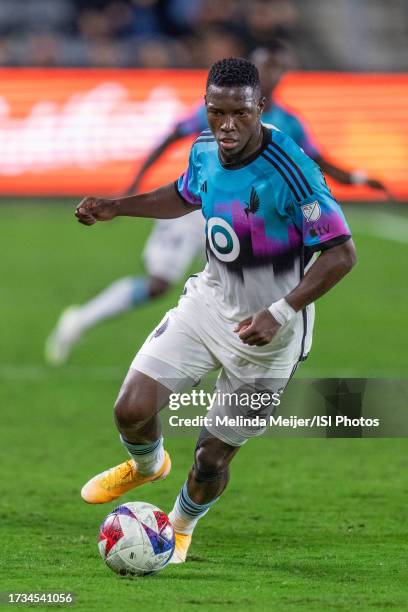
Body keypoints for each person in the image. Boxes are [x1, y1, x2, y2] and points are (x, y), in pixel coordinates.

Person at [75, 57, 356, 563]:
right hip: (207, 305)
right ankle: (147, 466)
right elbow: (183, 195)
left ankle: (179, 528)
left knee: (210, 457)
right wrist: (119, 205)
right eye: (217, 112)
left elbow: (341, 253)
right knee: (131, 409)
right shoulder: (204, 151)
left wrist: (281, 311)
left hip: (271, 335)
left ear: (260, 109)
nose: (227, 126)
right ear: (206, 107)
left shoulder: (292, 171)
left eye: (240, 114)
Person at [45, 41, 385, 366]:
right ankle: (81, 320)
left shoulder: (289, 123)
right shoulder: (221, 106)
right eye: (267, 65)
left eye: (280, 68)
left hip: (252, 218)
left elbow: (316, 161)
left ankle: (229, 360)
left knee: (242, 284)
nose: (274, 73)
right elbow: (173, 135)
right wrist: (131, 188)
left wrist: (356, 178)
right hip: (200, 204)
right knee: (159, 282)